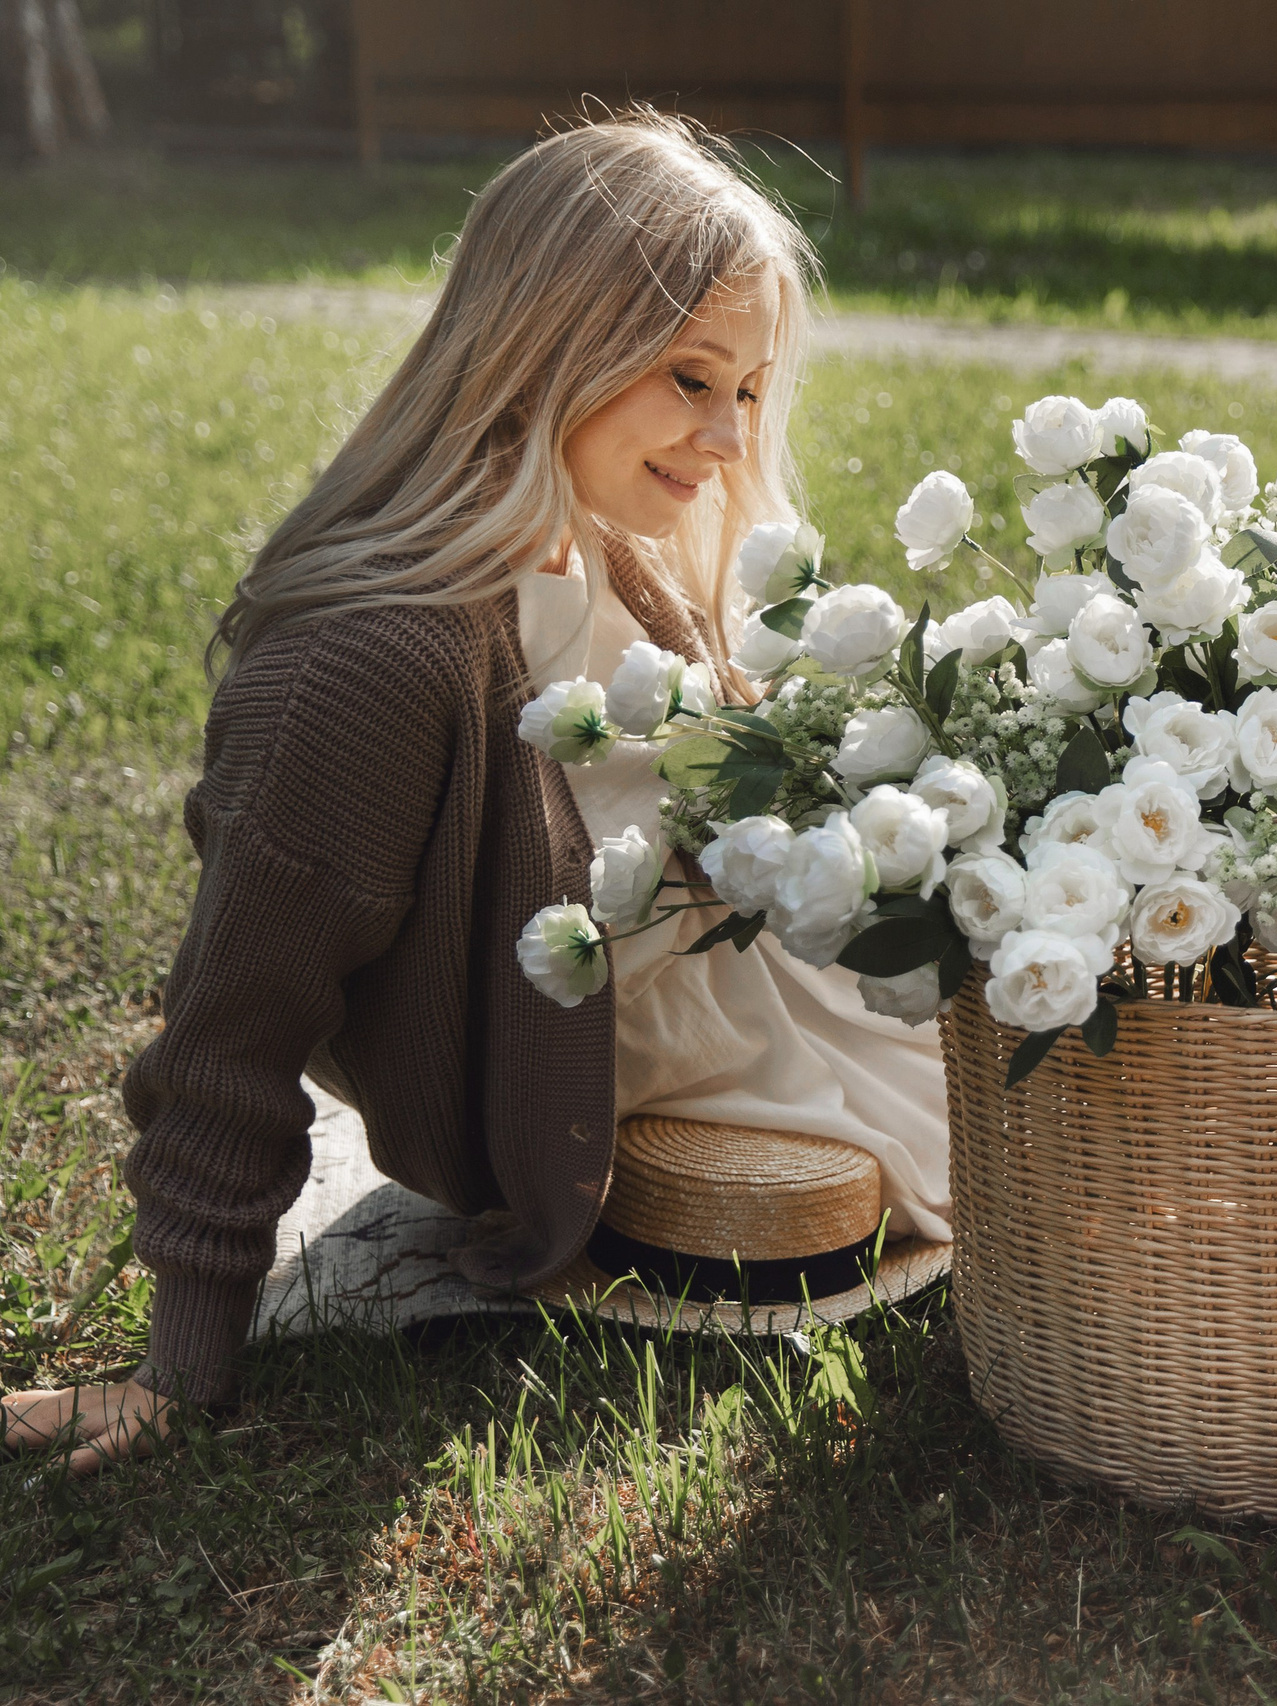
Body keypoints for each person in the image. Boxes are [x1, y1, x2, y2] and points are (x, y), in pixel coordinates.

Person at [3, 111, 949, 1476]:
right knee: (1034, 1103)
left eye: (745, 391)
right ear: (551, 340)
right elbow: (234, 1016)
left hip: (730, 977)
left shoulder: (605, 556)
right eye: (692, 378)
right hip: (620, 1058)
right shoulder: (373, 663)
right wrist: (180, 1363)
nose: (730, 441)